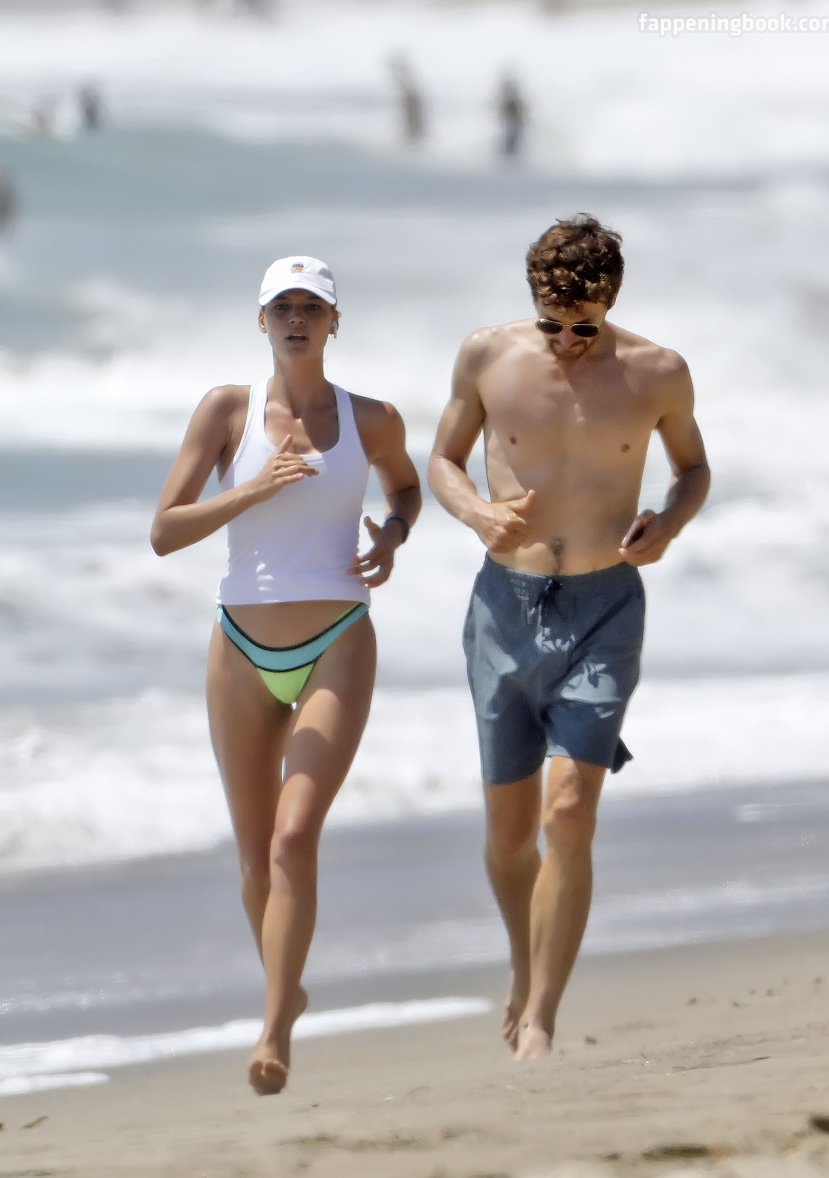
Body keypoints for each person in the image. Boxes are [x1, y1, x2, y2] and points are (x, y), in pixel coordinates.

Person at [428, 214, 710, 1062]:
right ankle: (524, 966)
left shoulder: (658, 372)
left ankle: (542, 1018)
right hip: (502, 610)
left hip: (604, 608)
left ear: (610, 303)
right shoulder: (487, 355)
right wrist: (476, 512)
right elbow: (442, 460)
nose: (565, 343)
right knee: (509, 835)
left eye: (582, 327)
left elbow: (693, 469)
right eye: (550, 323)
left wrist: (668, 522)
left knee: (569, 809)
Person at [151, 256, 421, 1094]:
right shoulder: (226, 411)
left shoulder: (372, 418)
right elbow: (164, 531)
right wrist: (253, 488)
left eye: (312, 307)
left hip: (338, 638)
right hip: (239, 649)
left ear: (335, 321)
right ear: (260, 320)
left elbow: (406, 490)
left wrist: (391, 536)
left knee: (293, 839)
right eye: (282, 308)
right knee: (252, 862)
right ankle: (285, 985)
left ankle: (273, 1030)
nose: (296, 319)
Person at [496, 74, 527, 160]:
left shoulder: (515, 99)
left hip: (515, 122)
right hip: (511, 122)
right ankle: (509, 153)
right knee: (510, 137)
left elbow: (521, 109)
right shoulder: (510, 99)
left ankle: (511, 153)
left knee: (513, 137)